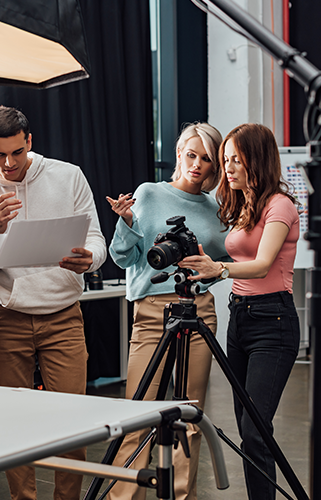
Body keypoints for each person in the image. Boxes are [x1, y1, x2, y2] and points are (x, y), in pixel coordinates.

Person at [0, 105, 107, 500]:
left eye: (16, 152)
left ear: (30, 142)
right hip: (6, 318)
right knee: (12, 424)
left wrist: (90, 258)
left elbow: (97, 239)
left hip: (63, 315)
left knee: (73, 421)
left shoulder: (68, 175)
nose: (9, 163)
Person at [106, 122, 228, 500]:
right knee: (138, 413)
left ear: (215, 166)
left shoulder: (217, 208)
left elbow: (223, 262)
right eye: (191, 155)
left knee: (190, 414)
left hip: (198, 309)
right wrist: (126, 223)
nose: (196, 165)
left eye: (206, 159)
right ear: (179, 154)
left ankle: (181, 496)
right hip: (151, 310)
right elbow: (122, 257)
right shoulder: (149, 193)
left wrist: (208, 275)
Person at [179, 123, 300, 500]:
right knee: (249, 427)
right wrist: (203, 263)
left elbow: (263, 264)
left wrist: (220, 269)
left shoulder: (279, 205)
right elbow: (230, 259)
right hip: (241, 319)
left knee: (255, 429)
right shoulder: (241, 204)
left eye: (236, 159)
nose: (227, 168)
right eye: (226, 159)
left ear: (257, 160)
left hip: (273, 323)